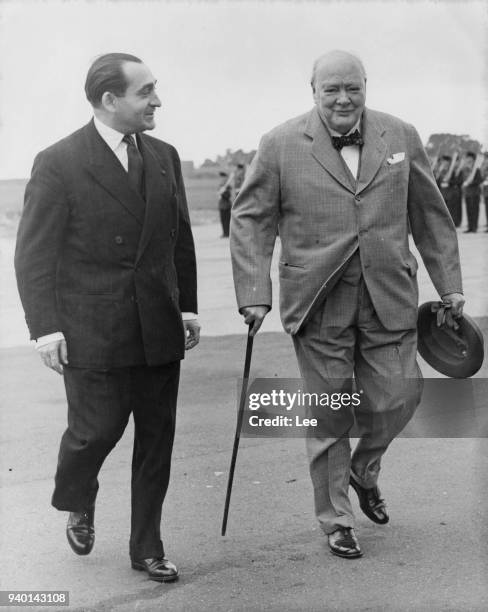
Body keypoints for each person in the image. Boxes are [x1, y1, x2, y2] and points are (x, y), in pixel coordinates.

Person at [230, 50, 464, 559]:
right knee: (330, 411)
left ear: (366, 86)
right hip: (317, 299)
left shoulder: (400, 135)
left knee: (402, 395)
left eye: (352, 88)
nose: (342, 98)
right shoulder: (280, 143)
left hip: (390, 293)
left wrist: (450, 285)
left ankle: (364, 468)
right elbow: (250, 219)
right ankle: (336, 519)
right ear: (312, 90)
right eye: (330, 89)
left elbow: (430, 214)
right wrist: (254, 294)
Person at [14, 53, 200, 582]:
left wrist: (186, 306)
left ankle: (147, 547)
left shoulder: (165, 156)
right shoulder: (60, 161)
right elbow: (33, 255)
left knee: (156, 444)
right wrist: (45, 329)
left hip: (159, 328)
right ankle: (78, 495)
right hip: (93, 332)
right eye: (146, 92)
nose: (157, 100)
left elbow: (178, 239)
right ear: (109, 100)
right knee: (93, 435)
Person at [437, 154, 463, 227]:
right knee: (443, 209)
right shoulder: (441, 171)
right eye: (443, 162)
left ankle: (453, 223)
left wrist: (449, 182)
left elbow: (456, 181)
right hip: (442, 193)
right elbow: (438, 182)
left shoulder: (453, 171)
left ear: (449, 163)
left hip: (450, 193)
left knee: (451, 209)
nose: (444, 163)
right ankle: (444, 223)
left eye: (446, 162)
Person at [461, 151, 483, 233]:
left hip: (475, 193)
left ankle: (474, 227)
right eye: (467, 158)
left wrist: (470, 182)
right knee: (468, 210)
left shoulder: (476, 169)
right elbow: (464, 179)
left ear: (473, 159)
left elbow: (479, 180)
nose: (467, 160)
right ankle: (470, 227)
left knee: (474, 210)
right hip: (468, 193)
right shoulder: (466, 169)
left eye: (469, 158)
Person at [217, 170, 232, 237]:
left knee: (227, 220)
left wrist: (222, 193)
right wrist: (220, 192)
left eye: (222, 177)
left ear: (225, 178)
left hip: (226, 206)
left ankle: (227, 233)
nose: (221, 179)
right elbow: (218, 195)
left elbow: (228, 196)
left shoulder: (227, 187)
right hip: (221, 206)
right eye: (221, 177)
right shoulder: (221, 186)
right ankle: (224, 233)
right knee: (222, 220)